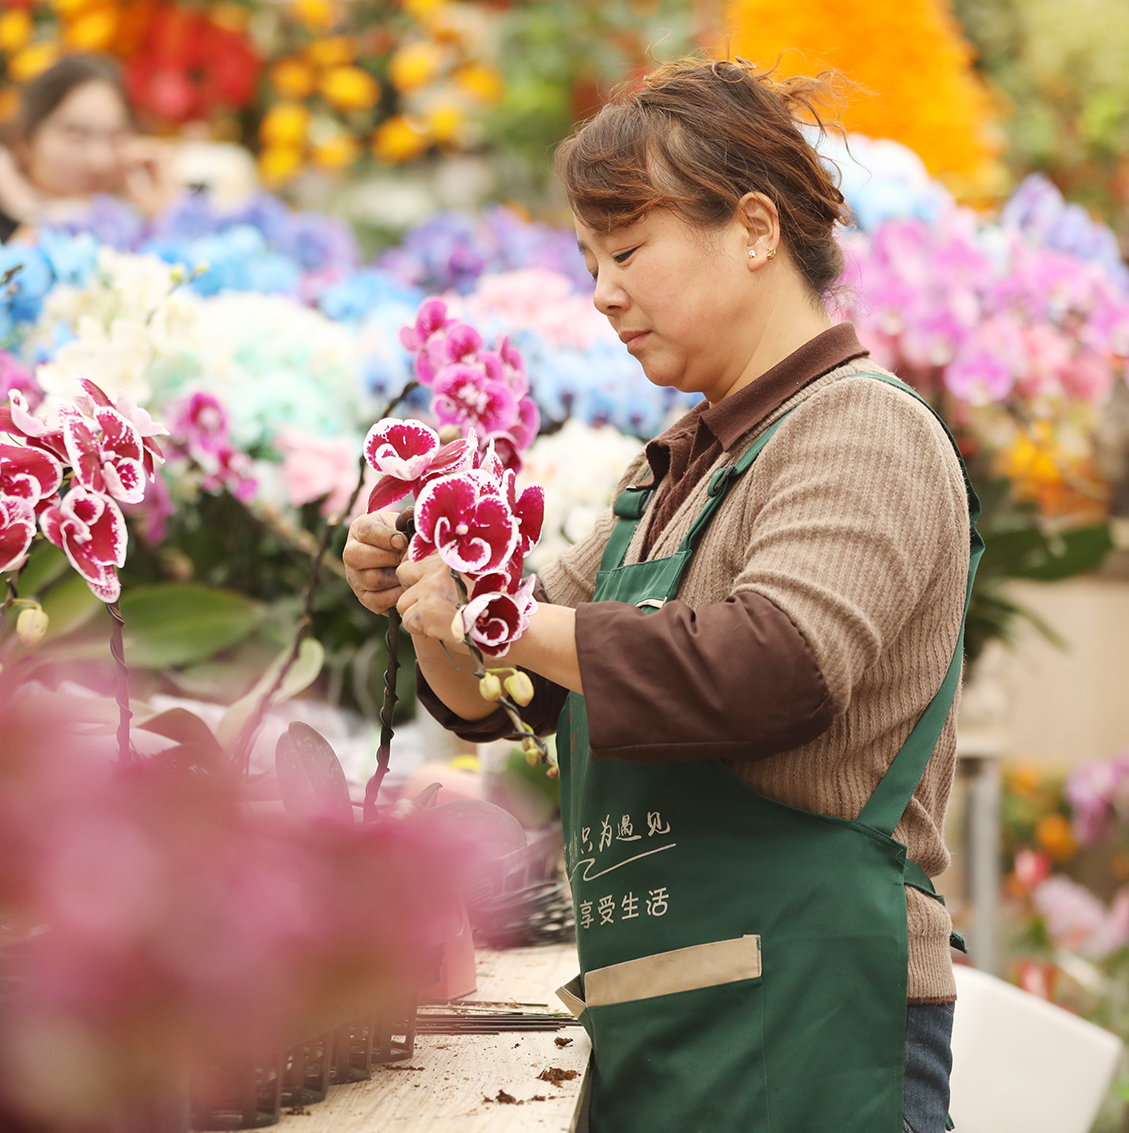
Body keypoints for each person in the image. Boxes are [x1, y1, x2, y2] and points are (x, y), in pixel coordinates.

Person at [343, 58, 981, 1133]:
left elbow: (767, 667)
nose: (601, 292)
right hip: (677, 1019)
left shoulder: (859, 426)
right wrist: (434, 600)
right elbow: (515, 690)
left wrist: (496, 611)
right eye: (591, 260)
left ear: (751, 228)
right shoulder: (675, 466)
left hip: (810, 1019)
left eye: (628, 250)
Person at [0, 54, 179, 245]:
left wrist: (158, 218)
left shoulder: (131, 212)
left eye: (116, 137)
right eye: (75, 136)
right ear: (22, 142)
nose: (99, 160)